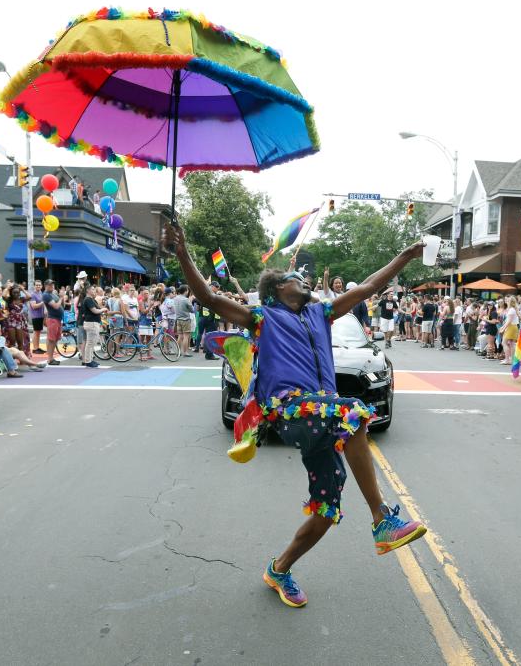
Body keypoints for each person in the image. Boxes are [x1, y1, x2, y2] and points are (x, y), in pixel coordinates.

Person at [164, 220, 428, 609]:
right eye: (294, 277)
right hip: (288, 409)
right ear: (276, 290)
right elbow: (208, 299)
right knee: (354, 412)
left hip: (321, 414)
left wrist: (405, 255)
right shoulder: (261, 318)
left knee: (326, 509)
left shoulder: (322, 314)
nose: (303, 279)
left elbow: (369, 286)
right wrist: (183, 253)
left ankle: (279, 568)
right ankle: (382, 520)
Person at [79, 284, 107, 368]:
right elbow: (94, 311)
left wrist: (101, 310)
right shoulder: (88, 299)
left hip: (93, 322)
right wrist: (103, 309)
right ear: (88, 290)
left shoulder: (91, 299)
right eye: (92, 289)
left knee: (92, 342)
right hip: (91, 323)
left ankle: (90, 359)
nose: (94, 291)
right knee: (90, 343)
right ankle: (88, 361)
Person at [42, 280, 64, 366]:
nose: (52, 286)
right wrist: (61, 297)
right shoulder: (46, 295)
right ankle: (50, 359)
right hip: (52, 319)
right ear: (46, 285)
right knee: (51, 339)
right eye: (49, 285)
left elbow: (61, 305)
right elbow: (56, 306)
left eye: (52, 284)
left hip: (57, 319)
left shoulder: (53, 294)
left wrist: (62, 298)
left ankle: (51, 358)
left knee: (55, 339)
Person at [173, 284, 194, 357]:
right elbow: (192, 310)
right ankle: (185, 352)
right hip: (185, 319)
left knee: (180, 336)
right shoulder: (186, 300)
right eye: (187, 290)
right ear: (186, 291)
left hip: (178, 319)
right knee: (186, 336)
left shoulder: (175, 298)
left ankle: (178, 351)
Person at [28, 280, 46, 354]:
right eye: (37, 285)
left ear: (41, 286)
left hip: (41, 315)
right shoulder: (32, 295)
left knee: (38, 332)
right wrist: (43, 302)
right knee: (36, 332)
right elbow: (34, 306)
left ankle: (37, 347)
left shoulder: (41, 293)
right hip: (36, 315)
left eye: (39, 285)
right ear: (34, 286)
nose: (38, 286)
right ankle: (35, 348)